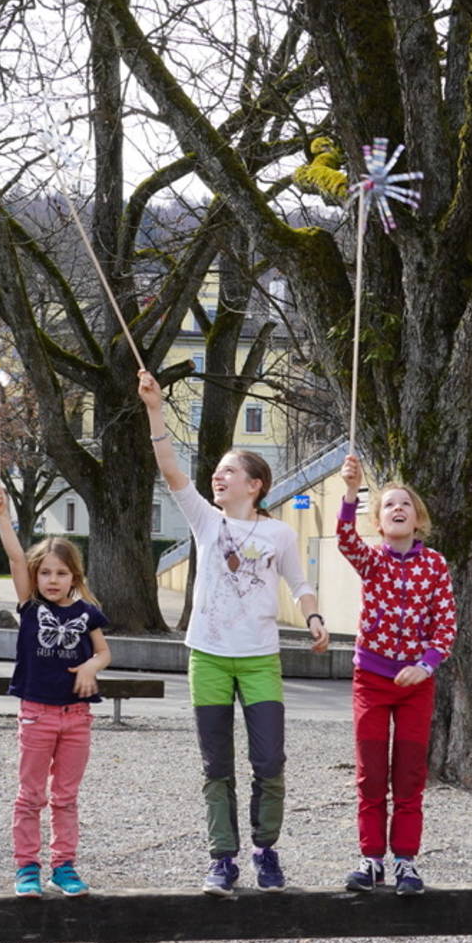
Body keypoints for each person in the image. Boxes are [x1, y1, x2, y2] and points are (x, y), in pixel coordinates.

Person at [137, 370, 329, 896]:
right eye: (217, 472)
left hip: (261, 658)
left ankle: (266, 850)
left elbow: (299, 582)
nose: (218, 478)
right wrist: (156, 409)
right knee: (215, 764)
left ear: (255, 484)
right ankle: (222, 859)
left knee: (269, 760)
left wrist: (312, 616)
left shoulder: (278, 532)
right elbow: (171, 469)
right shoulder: (204, 521)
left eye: (228, 472)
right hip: (209, 657)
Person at [337, 454, 457, 896]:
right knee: (371, 774)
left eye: (405, 504)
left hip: (415, 687)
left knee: (408, 775)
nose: (398, 509)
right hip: (371, 680)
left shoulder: (435, 565)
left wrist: (425, 664)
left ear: (417, 517)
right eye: (389, 505)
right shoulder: (372, 562)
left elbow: (445, 626)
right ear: (380, 520)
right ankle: (371, 860)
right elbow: (345, 539)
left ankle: (405, 861)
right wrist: (351, 492)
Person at [0, 486, 111, 899]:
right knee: (30, 795)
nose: (52, 580)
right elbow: (15, 557)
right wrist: (3, 516)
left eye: (61, 573)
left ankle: (64, 866)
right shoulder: (30, 607)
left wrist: (93, 666)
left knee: (66, 796)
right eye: (45, 573)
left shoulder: (86, 612)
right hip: (36, 713)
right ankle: (27, 866)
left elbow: (104, 652)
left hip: (77, 717)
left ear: (74, 577)